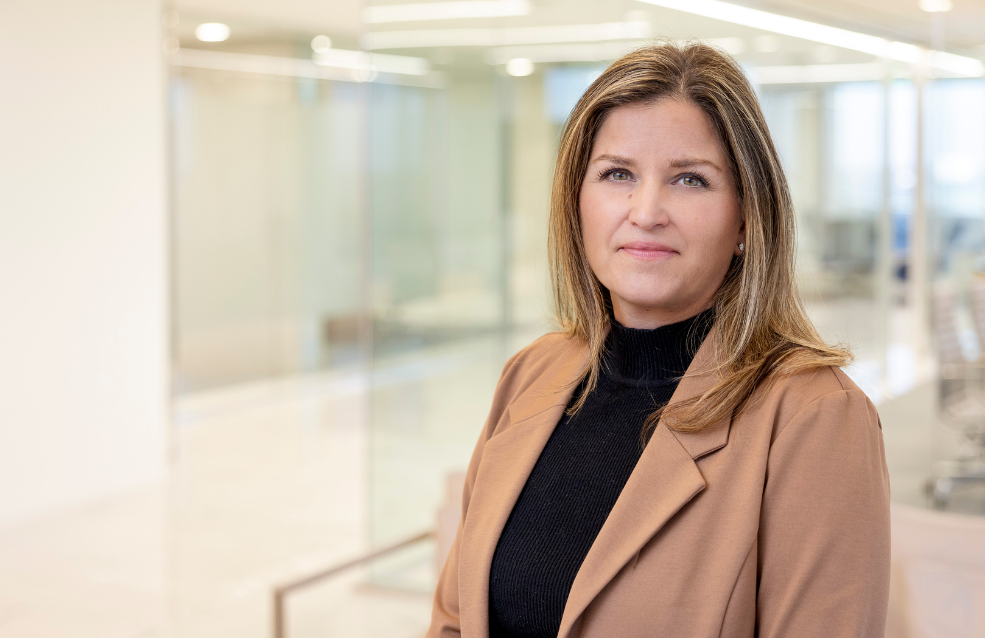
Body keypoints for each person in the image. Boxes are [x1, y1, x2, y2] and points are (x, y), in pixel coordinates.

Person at [426, 41, 890, 638]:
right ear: (577, 202)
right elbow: (455, 618)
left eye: (690, 180)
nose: (646, 212)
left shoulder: (817, 417)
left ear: (747, 217)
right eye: (617, 174)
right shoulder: (531, 371)